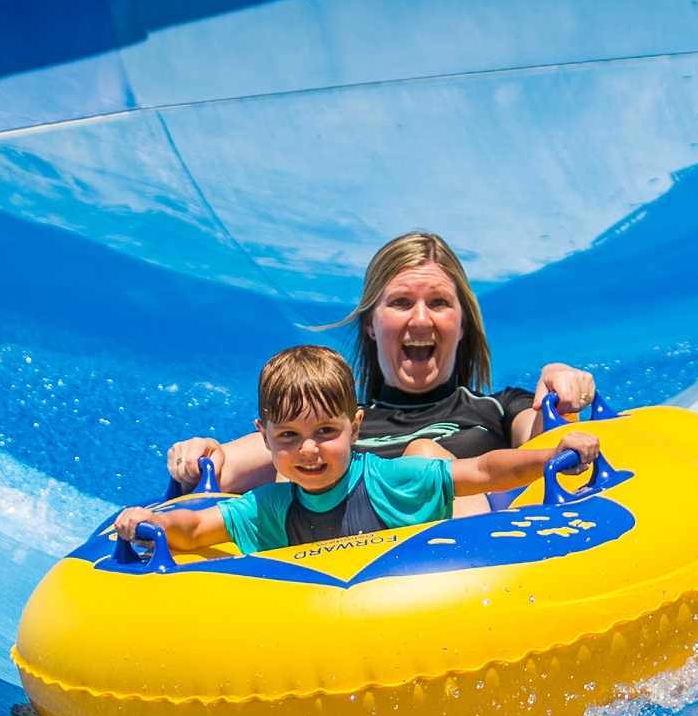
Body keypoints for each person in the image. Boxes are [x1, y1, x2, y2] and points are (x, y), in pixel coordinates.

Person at [165, 231, 597, 494]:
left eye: (440, 303)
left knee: (424, 458)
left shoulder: (499, 411)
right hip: (334, 589)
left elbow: (549, 442)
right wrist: (199, 453)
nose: (421, 318)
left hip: (459, 578)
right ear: (372, 324)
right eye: (402, 303)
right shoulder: (330, 425)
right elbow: (221, 468)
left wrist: (560, 382)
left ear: (462, 325)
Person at [116, 345, 600, 557]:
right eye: (287, 436)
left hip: (436, 585)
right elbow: (200, 525)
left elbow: (482, 471)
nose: (308, 449)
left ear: (355, 427)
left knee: (427, 450)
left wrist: (549, 455)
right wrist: (154, 521)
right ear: (265, 437)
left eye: (326, 431)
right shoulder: (270, 506)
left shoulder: (391, 480)